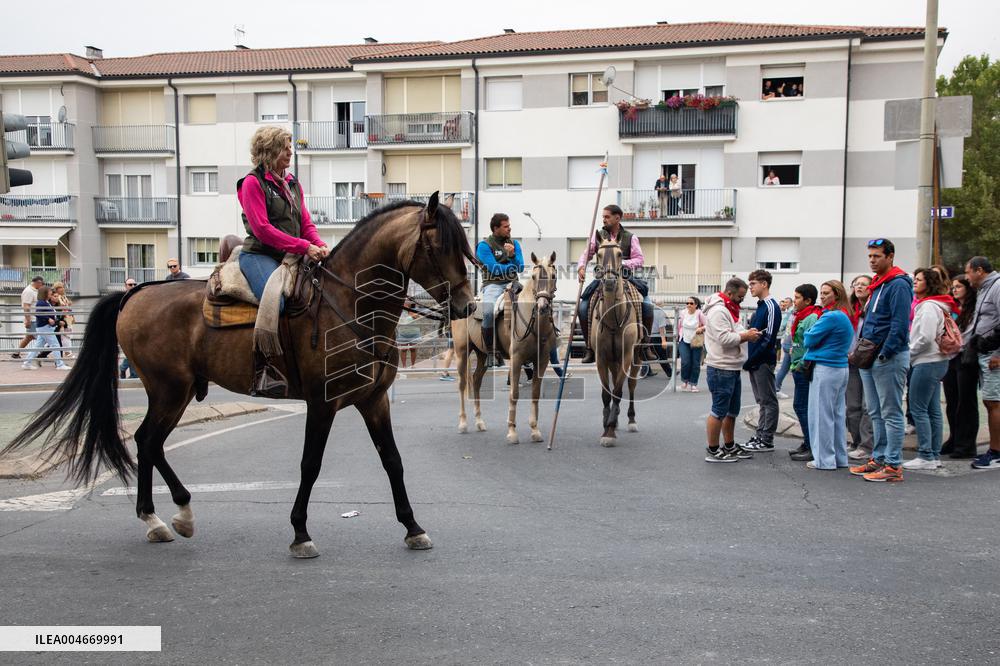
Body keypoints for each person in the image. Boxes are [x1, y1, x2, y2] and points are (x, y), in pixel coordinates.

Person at [238, 125, 330, 395]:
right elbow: (262, 230)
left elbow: (306, 223)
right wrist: (304, 247)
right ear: (269, 151)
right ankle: (263, 368)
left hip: (292, 253)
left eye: (290, 148)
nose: (290, 153)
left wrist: (319, 243)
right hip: (259, 255)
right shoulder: (252, 183)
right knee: (275, 301)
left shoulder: (292, 183)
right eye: (285, 148)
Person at [850, 238, 912, 483]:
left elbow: (900, 324)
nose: (872, 260)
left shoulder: (898, 284)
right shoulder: (879, 283)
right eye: (870, 256)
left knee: (891, 412)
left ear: (890, 256)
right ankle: (879, 457)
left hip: (887, 357)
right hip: (870, 357)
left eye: (877, 256)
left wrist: (886, 353)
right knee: (875, 412)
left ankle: (893, 465)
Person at [577, 204, 655, 364]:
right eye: (603, 217)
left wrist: (621, 263)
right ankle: (589, 347)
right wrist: (581, 266)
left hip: (625, 278)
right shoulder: (598, 236)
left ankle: (645, 346)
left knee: (647, 305)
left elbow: (639, 259)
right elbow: (587, 254)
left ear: (617, 218)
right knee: (583, 306)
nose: (604, 220)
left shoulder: (630, 237)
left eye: (607, 217)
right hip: (602, 278)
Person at [902, 268, 958, 470]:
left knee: (918, 408)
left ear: (929, 283)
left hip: (926, 360)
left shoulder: (927, 307)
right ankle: (933, 455)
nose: (915, 282)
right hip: (937, 360)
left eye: (919, 280)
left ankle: (926, 455)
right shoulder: (938, 305)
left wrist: (908, 353)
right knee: (933, 410)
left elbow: (925, 338)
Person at [703, 277, 761, 463]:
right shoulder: (719, 311)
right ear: (729, 293)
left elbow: (734, 330)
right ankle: (713, 450)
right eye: (740, 296)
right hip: (721, 367)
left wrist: (747, 333)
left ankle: (729, 445)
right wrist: (746, 336)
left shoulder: (729, 308)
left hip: (731, 366)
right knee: (719, 410)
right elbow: (724, 339)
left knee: (731, 411)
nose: (742, 300)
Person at [802, 280, 855, 469]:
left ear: (836, 295)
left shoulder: (830, 316)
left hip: (826, 367)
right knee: (837, 415)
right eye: (822, 293)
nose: (822, 296)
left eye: (826, 293)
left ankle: (824, 459)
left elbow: (808, 338)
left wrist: (809, 332)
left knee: (821, 415)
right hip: (840, 367)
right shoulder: (843, 315)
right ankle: (839, 457)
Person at [965, 256, 1000, 470]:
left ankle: (996, 453)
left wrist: (998, 354)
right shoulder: (984, 289)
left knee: (994, 402)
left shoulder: (997, 287)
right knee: (990, 402)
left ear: (979, 270)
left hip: (993, 355)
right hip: (985, 352)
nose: (966, 276)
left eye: (968, 271)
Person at [476, 213, 524, 367]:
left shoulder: (514, 244)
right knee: (488, 311)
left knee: (533, 306)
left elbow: (521, 267)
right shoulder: (484, 246)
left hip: (513, 283)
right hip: (493, 285)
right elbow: (494, 269)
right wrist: (512, 265)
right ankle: (491, 351)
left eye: (509, 225)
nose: (509, 228)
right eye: (505, 226)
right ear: (496, 228)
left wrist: (512, 255)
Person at [742, 269, 782, 453]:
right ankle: (759, 436)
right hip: (755, 360)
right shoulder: (760, 306)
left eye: (753, 284)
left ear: (764, 284)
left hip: (763, 360)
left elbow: (769, 338)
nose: (750, 287)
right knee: (762, 401)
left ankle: (766, 439)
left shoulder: (771, 306)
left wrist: (754, 359)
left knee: (768, 400)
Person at [941, 276, 979, 458]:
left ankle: (966, 444)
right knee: (952, 400)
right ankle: (954, 438)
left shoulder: (974, 309)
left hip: (967, 357)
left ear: (968, 289)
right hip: (951, 356)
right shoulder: (952, 308)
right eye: (953, 287)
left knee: (966, 401)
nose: (954, 290)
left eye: (959, 287)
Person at [788, 284, 822, 462]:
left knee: (801, 406)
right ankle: (807, 442)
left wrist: (801, 364)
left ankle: (811, 445)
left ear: (808, 300)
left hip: (803, 368)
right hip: (797, 366)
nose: (794, 301)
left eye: (797, 298)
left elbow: (811, 344)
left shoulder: (811, 318)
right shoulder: (802, 316)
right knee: (801, 406)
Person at [846, 275, 875, 460]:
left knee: (867, 406)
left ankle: (867, 445)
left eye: (864, 284)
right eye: (856, 284)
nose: (859, 287)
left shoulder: (873, 309)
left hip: (869, 361)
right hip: (850, 362)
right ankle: (856, 441)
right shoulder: (849, 310)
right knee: (852, 406)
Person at [21, 286, 70, 371]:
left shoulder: (45, 302)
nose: (51, 293)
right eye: (49, 292)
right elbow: (38, 313)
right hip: (45, 327)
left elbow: (48, 314)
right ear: (45, 293)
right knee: (55, 345)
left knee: (37, 347)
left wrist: (57, 321)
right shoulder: (41, 303)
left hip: (45, 327)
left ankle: (26, 363)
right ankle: (60, 364)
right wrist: (48, 319)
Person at [678, 296, 707, 392]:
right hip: (684, 340)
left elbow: (707, 324)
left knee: (695, 363)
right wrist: (678, 335)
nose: (688, 305)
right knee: (685, 362)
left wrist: (701, 328)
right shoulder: (683, 313)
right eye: (687, 303)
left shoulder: (699, 313)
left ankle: (693, 384)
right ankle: (685, 380)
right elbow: (679, 326)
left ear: (696, 305)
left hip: (696, 340)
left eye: (691, 303)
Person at [13, 275, 44, 358]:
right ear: (38, 282)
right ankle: (38, 355)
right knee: (40, 337)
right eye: (41, 284)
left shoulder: (34, 290)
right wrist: (28, 320)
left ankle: (16, 353)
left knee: (29, 337)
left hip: (35, 318)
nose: (42, 285)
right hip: (33, 319)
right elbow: (26, 306)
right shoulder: (29, 291)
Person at [642, 302, 673, 378]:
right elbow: (661, 327)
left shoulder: (649, 311)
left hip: (648, 335)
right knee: (662, 355)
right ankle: (670, 373)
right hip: (658, 336)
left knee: (645, 353)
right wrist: (663, 340)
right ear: (661, 305)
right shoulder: (660, 312)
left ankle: (645, 371)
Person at [774, 297, 794, 398]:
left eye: (787, 302)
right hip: (790, 344)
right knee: (787, 368)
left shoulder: (790, 312)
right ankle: (776, 388)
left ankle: (776, 388)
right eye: (784, 302)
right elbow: (784, 325)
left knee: (784, 368)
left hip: (787, 342)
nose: (785, 304)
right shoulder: (791, 312)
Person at [119, 279, 139, 379]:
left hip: (137, 328)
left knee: (135, 353)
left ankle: (133, 374)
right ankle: (123, 368)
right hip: (126, 329)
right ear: (125, 286)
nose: (133, 286)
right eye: (130, 284)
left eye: (135, 284)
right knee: (131, 353)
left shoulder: (138, 296)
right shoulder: (123, 298)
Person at [397, 299, 421, 369]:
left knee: (413, 349)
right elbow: (401, 320)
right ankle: (404, 366)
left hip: (414, 333)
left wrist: (409, 312)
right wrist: (411, 316)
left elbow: (417, 317)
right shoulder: (400, 310)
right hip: (403, 333)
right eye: (405, 301)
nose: (406, 302)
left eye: (407, 301)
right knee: (403, 350)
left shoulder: (415, 309)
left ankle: (413, 365)